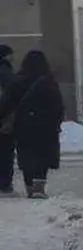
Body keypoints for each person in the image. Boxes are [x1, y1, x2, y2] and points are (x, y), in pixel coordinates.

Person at [0, 51, 64, 199]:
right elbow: (58, 105)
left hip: (24, 126)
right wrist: (57, 122)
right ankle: (39, 186)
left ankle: (30, 185)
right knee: (43, 155)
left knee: (27, 155)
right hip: (46, 127)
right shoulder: (49, 82)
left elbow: (6, 103)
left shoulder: (18, 81)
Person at [0, 44, 15, 194]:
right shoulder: (6, 71)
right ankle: (4, 184)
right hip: (4, 117)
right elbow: (11, 95)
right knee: (5, 151)